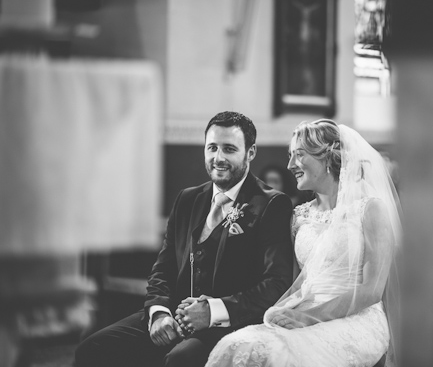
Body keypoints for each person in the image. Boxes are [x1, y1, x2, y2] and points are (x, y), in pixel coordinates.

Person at [75, 112, 294, 367]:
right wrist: (159, 313)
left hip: (227, 323)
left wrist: (212, 312)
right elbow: (163, 268)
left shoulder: (272, 204)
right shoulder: (187, 199)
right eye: (212, 148)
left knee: (179, 360)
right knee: (93, 348)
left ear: (251, 152)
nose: (218, 158)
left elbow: (276, 283)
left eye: (229, 149)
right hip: (173, 316)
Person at [206, 119, 402, 367]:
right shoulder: (299, 216)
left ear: (327, 156)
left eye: (299, 155)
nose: (290, 165)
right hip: (302, 312)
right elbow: (296, 282)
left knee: (279, 358)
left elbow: (371, 291)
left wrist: (310, 317)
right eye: (290, 156)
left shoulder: (370, 209)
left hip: (356, 320)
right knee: (236, 346)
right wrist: (277, 313)